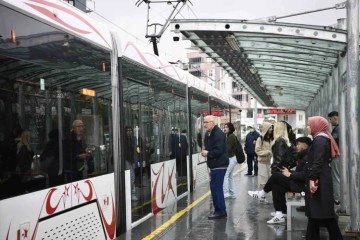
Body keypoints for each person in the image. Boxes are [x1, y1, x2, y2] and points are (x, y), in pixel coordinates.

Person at [248, 136, 312, 224]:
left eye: (298, 144)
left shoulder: (308, 157)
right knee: (276, 186)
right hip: (298, 182)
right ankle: (281, 213)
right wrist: (289, 172)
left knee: (276, 176)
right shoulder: (303, 156)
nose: (296, 146)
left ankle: (262, 193)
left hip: (302, 186)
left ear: (304, 146)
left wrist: (290, 174)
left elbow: (305, 175)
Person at [305, 116, 343, 240]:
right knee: (318, 212)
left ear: (317, 126)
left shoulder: (320, 140)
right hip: (321, 177)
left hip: (320, 179)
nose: (307, 127)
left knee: (323, 213)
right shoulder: (320, 138)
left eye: (309, 124)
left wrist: (312, 179)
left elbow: (318, 161)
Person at [201, 115, 229, 219]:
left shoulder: (218, 134)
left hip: (219, 165)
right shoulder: (212, 133)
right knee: (215, 188)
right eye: (204, 122)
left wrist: (207, 153)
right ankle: (220, 210)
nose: (204, 125)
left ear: (213, 122)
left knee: (216, 188)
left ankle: (220, 211)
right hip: (216, 165)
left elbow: (218, 150)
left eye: (206, 122)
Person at [328, 111, 341, 208]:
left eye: (330, 119)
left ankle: (337, 199)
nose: (330, 122)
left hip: (337, 157)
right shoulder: (343, 127)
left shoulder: (337, 129)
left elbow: (334, 141)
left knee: (336, 178)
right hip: (343, 157)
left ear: (335, 118)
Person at [255, 122, 273, 190]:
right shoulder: (260, 139)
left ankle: (263, 196)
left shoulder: (270, 139)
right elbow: (257, 150)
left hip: (268, 162)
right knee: (262, 180)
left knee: (268, 179)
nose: (271, 129)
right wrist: (266, 152)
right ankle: (262, 198)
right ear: (266, 129)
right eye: (269, 128)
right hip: (262, 162)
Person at [223, 122, 237, 199]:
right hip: (232, 158)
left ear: (230, 128)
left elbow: (228, 149)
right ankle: (232, 192)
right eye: (224, 127)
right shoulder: (229, 136)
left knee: (226, 175)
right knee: (230, 176)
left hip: (231, 158)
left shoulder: (231, 137)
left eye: (226, 127)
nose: (224, 128)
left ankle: (226, 193)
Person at [124, 126, 138, 201]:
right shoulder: (124, 141)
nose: (129, 132)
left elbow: (136, 149)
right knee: (132, 177)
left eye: (130, 130)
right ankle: (130, 194)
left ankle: (132, 193)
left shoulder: (133, 139)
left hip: (132, 160)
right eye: (127, 131)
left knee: (132, 177)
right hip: (126, 160)